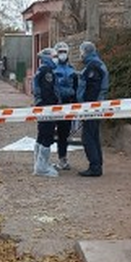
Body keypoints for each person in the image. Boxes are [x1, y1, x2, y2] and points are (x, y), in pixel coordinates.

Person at [75, 40, 109, 177]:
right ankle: (97, 164)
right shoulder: (95, 64)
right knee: (94, 136)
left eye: (81, 52)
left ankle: (95, 167)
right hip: (95, 106)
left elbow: (92, 89)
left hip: (91, 107)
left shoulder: (93, 67)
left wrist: (86, 106)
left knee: (88, 137)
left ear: (86, 52)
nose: (80, 55)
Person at [30, 47, 59, 177]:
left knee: (41, 134)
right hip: (47, 107)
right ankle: (42, 167)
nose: (56, 59)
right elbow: (48, 92)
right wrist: (54, 104)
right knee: (47, 134)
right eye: (54, 56)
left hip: (42, 106)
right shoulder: (47, 72)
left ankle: (40, 163)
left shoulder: (41, 69)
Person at [52, 41, 79, 170]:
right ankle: (43, 161)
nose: (62, 54)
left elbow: (76, 86)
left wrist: (75, 102)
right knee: (47, 133)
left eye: (64, 52)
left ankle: (63, 159)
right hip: (54, 105)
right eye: (60, 52)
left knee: (64, 134)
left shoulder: (72, 69)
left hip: (67, 105)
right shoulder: (51, 68)